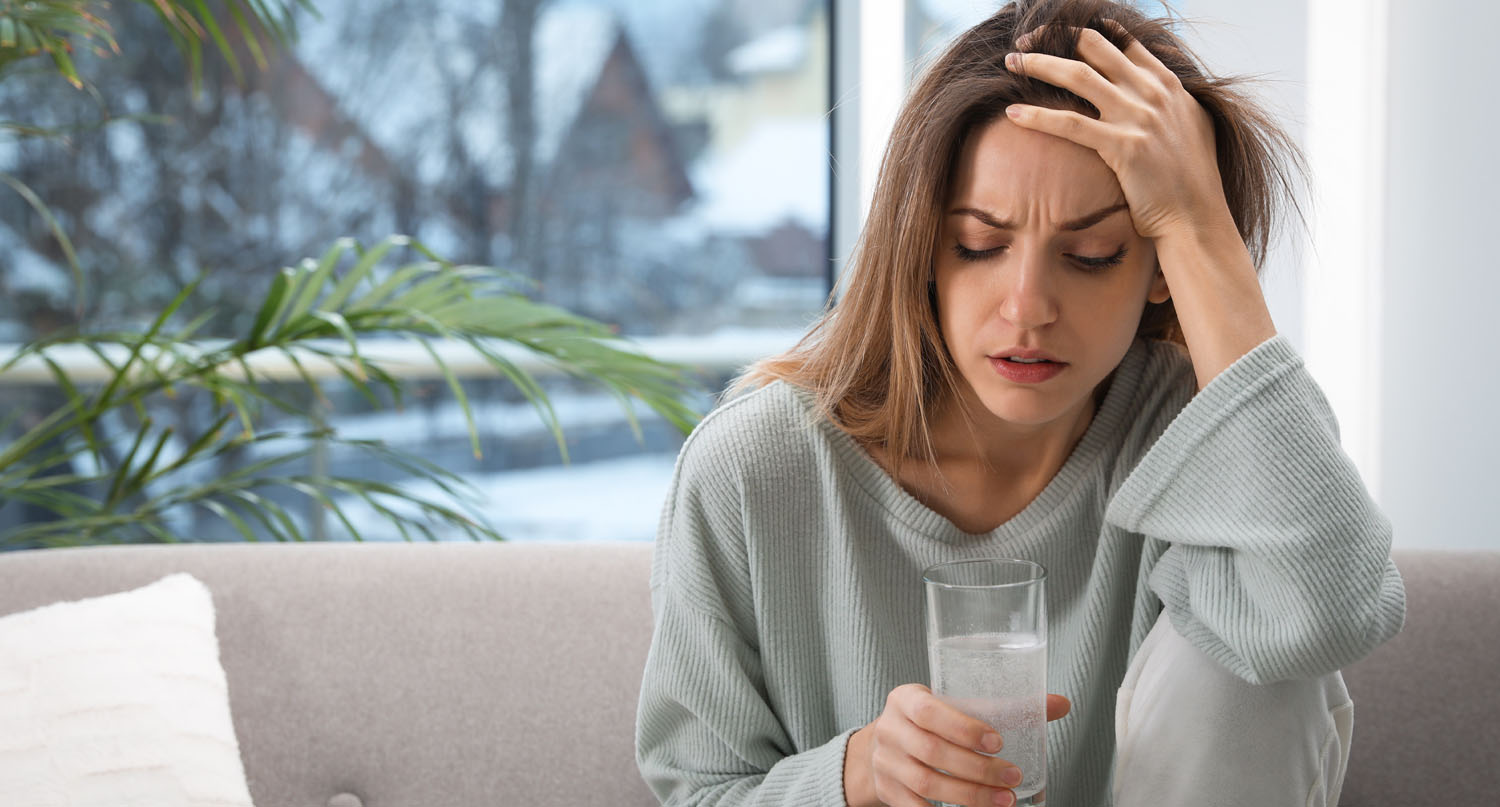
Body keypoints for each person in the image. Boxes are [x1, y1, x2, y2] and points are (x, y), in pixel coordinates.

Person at [635, 0, 1406, 804]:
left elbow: (1331, 611)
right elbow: (698, 789)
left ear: (1157, 272)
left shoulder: (1204, 436)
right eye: (978, 245)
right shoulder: (753, 468)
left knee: (1265, 636)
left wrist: (1198, 220)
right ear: (922, 248)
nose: (1028, 306)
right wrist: (859, 772)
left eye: (1093, 255)